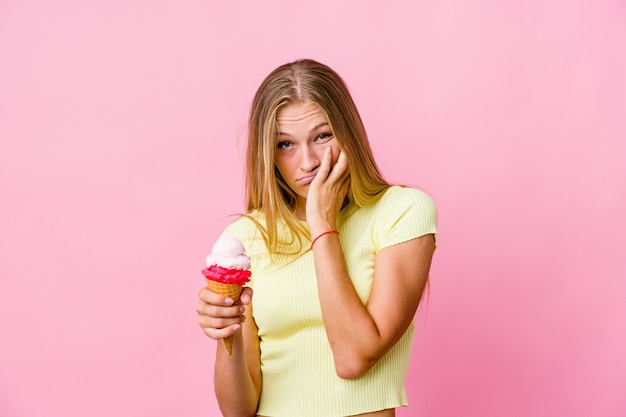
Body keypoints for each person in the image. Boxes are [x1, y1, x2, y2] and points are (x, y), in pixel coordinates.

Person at [196, 59, 437, 417]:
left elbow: (354, 358)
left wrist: (322, 224)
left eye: (322, 136)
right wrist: (227, 330)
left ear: (348, 134)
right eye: (286, 145)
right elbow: (238, 411)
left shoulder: (401, 212)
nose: (307, 161)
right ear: (268, 154)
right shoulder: (245, 236)